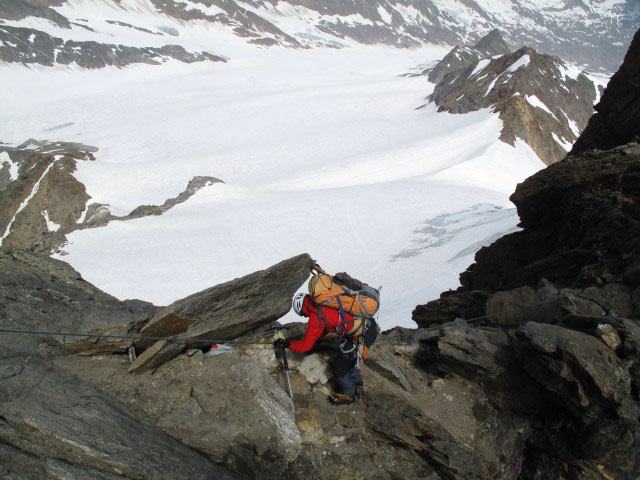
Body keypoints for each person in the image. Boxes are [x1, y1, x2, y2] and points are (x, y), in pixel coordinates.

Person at [275, 293, 378, 405]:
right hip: (367, 326)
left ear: (303, 308)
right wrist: (316, 342)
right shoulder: (325, 303)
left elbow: (305, 345)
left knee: (338, 367)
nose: (305, 316)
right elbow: (327, 326)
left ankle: (349, 394)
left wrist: (287, 344)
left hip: (361, 335)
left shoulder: (316, 314)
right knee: (350, 358)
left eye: (303, 314)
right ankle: (357, 382)